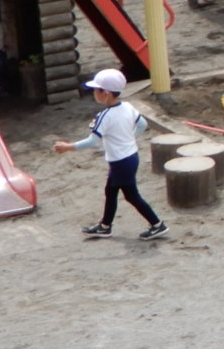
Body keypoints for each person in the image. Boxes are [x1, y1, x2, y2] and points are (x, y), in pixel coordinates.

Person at [52, 69, 165, 241]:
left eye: (96, 90)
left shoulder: (105, 116)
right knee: (111, 191)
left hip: (120, 162)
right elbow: (142, 124)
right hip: (131, 157)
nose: (94, 93)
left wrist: (68, 147)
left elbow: (92, 141)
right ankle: (105, 226)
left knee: (131, 195)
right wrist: (129, 139)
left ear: (105, 93)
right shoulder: (128, 107)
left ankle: (157, 224)